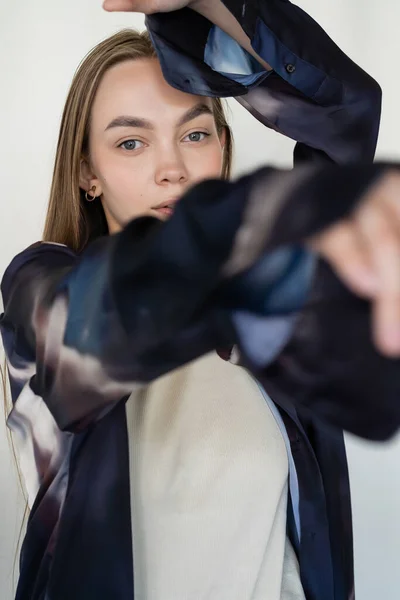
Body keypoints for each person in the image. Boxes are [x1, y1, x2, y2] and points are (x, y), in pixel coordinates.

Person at [2, 2, 400, 600]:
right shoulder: (44, 285)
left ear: (222, 145)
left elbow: (344, 108)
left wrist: (211, 4)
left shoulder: (269, 319)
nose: (173, 168)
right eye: (132, 142)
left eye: (194, 134)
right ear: (89, 173)